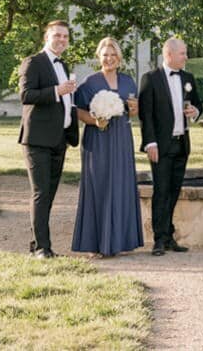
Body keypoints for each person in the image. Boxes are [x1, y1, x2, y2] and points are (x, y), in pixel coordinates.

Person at [71, 36, 144, 257]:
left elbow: (134, 109)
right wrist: (95, 120)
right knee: (99, 185)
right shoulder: (89, 83)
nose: (109, 58)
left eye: (113, 55)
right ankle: (96, 243)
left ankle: (121, 241)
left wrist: (134, 109)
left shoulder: (128, 81)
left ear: (119, 58)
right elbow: (77, 111)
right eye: (105, 55)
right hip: (98, 140)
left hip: (121, 138)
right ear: (99, 57)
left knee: (121, 185)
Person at [17, 20, 79, 259]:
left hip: (59, 139)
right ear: (46, 37)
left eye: (65, 36)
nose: (61, 40)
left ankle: (39, 244)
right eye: (57, 36)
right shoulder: (33, 62)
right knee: (41, 193)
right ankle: (43, 248)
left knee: (50, 194)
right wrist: (56, 91)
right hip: (37, 140)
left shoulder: (63, 64)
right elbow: (25, 95)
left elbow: (66, 102)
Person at [138, 37, 203, 255]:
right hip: (161, 145)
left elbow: (198, 105)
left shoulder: (188, 77)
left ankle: (168, 236)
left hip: (181, 144)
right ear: (169, 54)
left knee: (174, 191)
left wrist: (195, 112)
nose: (186, 57)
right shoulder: (150, 78)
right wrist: (150, 143)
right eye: (183, 53)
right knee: (161, 191)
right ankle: (158, 238)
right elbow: (145, 115)